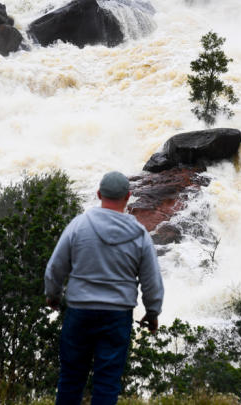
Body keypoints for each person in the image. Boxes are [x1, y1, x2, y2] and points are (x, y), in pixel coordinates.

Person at [44, 170, 165, 405]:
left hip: (79, 311)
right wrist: (152, 312)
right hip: (117, 316)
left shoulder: (79, 225)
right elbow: (152, 280)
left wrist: (53, 296)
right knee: (107, 383)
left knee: (70, 378)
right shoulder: (139, 234)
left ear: (99, 193)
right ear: (128, 197)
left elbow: (56, 267)